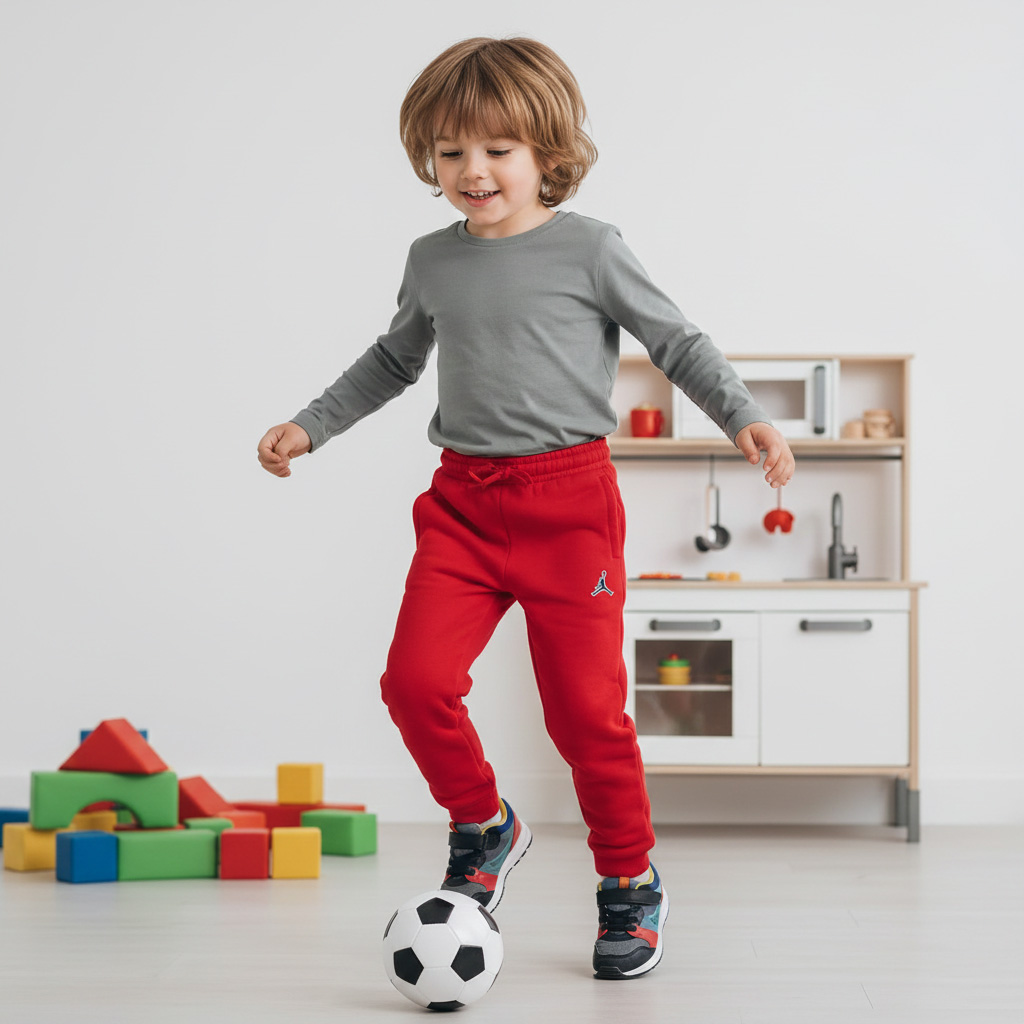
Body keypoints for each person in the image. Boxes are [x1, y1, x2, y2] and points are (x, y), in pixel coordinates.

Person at [257, 36, 795, 980]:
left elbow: (674, 340)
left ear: (548, 153)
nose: (474, 171)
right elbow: (392, 362)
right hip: (462, 506)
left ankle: (630, 881)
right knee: (414, 684)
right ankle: (484, 824)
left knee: (588, 717)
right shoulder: (432, 260)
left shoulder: (590, 248)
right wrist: (311, 425)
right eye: (452, 151)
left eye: (498, 150)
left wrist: (743, 416)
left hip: (569, 506)